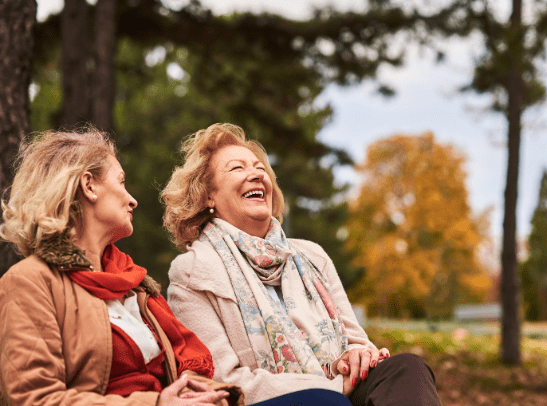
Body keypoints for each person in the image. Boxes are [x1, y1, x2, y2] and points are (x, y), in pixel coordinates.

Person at [162, 123, 442, 406]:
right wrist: (329, 386)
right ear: (207, 194)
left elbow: (357, 342)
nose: (256, 175)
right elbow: (222, 380)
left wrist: (357, 356)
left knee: (406, 368)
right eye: (237, 169)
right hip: (272, 401)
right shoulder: (193, 272)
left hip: (341, 390)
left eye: (260, 168)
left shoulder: (312, 255)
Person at [0, 129, 243, 406]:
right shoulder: (28, 281)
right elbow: (34, 399)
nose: (133, 200)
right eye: (121, 182)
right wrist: (156, 404)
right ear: (89, 186)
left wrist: (211, 398)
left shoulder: (135, 284)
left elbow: (188, 371)